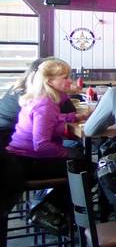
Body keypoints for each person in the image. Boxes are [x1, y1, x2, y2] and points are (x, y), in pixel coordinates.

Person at [5, 59, 85, 231]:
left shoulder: (44, 98)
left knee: (80, 161)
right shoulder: (45, 105)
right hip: (29, 162)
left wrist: (73, 117)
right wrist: (67, 152)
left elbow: (52, 119)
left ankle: (55, 210)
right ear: (49, 81)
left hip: (19, 158)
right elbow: (42, 145)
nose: (70, 81)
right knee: (86, 170)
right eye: (65, 77)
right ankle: (45, 210)